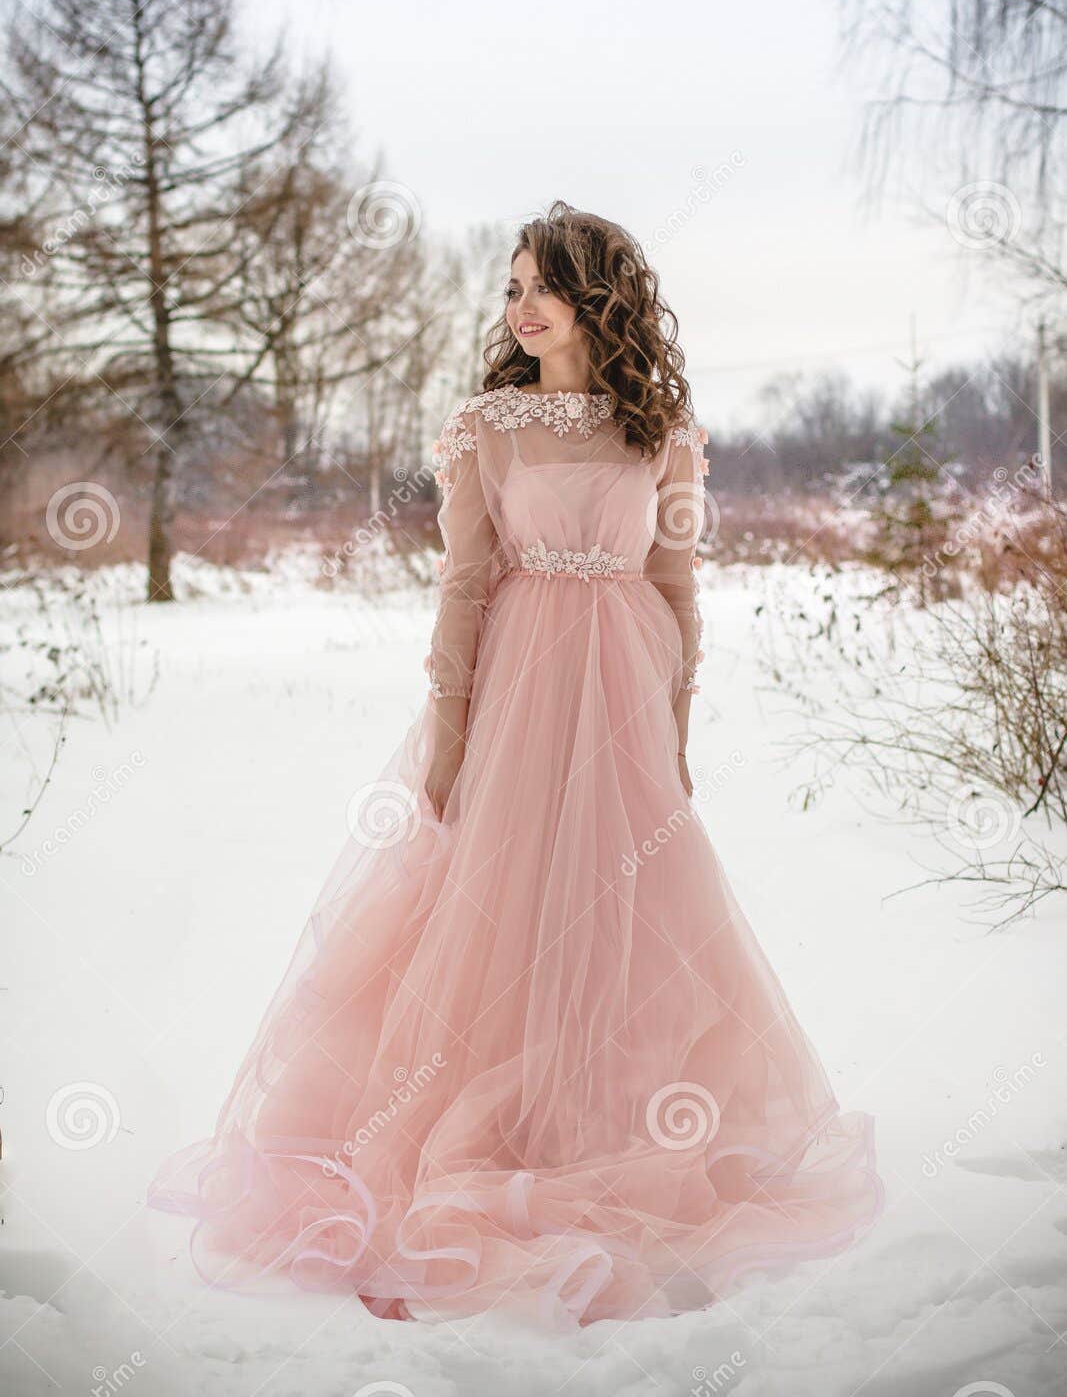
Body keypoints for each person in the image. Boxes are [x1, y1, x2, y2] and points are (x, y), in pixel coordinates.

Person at [149, 201, 882, 1327]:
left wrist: (673, 732)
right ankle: (471, 1134)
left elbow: (678, 588)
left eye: (542, 285)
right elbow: (463, 583)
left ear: (599, 299)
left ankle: (604, 1129)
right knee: (493, 913)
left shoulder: (663, 431)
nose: (520, 307)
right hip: (516, 700)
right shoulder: (487, 425)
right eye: (510, 288)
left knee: (630, 918)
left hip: (628, 711)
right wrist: (448, 732)